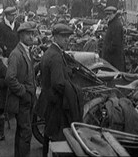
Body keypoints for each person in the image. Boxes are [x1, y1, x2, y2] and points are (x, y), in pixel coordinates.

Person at [35, 23, 83, 157]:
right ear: (55, 37)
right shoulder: (56, 56)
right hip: (57, 103)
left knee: (48, 134)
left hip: (49, 100)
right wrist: (74, 90)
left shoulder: (50, 52)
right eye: (63, 37)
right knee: (57, 137)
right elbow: (58, 83)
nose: (67, 39)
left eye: (68, 36)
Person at [5, 21, 37, 157]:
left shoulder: (25, 51)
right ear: (21, 36)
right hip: (22, 100)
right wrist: (23, 91)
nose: (31, 37)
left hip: (26, 99)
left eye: (32, 34)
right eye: (28, 34)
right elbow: (9, 78)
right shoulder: (16, 54)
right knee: (25, 133)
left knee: (21, 131)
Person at [102, 6, 125, 71]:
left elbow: (116, 43)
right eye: (107, 14)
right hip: (112, 57)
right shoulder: (112, 23)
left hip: (114, 58)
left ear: (115, 14)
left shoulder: (116, 25)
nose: (108, 16)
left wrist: (107, 50)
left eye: (110, 14)